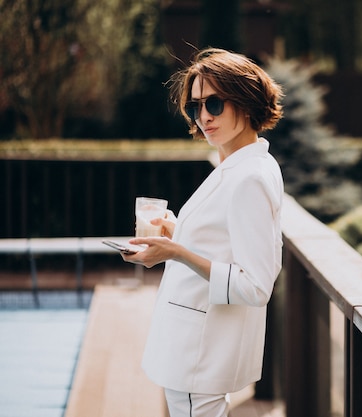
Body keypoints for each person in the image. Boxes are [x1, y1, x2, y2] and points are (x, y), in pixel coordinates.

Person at [121, 47, 284, 417]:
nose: (203, 117)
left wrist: (175, 252)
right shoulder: (240, 163)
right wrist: (176, 232)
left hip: (201, 353)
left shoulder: (250, 177)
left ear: (245, 100)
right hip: (195, 347)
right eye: (195, 107)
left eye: (214, 104)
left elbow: (256, 285)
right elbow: (225, 240)